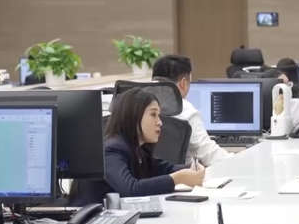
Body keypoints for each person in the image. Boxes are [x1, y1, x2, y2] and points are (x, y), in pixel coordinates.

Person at [70, 88, 206, 206]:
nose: (160, 122)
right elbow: (131, 189)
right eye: (153, 115)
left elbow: (165, 169)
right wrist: (178, 178)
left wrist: (191, 168)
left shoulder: (137, 148)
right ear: (134, 116)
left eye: (159, 115)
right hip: (87, 221)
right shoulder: (111, 150)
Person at [151, 55, 232, 166]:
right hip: (179, 174)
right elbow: (209, 154)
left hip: (140, 173)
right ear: (183, 83)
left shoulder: (136, 100)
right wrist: (238, 159)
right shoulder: (183, 109)